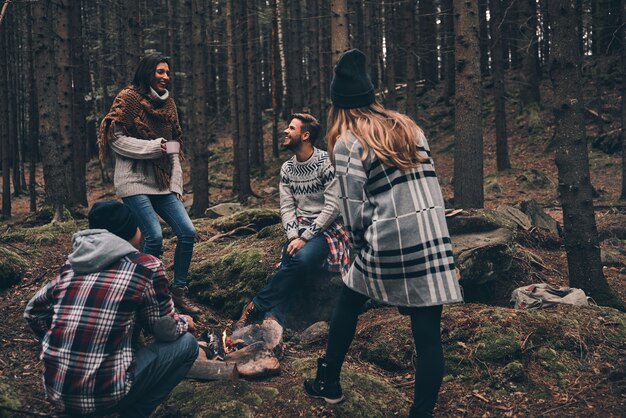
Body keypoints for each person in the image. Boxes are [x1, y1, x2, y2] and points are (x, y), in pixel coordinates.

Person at [303, 49, 463, 418]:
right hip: (433, 234)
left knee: (348, 299)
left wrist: (358, 249)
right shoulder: (410, 127)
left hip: (389, 239)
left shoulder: (346, 142)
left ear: (338, 105)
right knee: (427, 334)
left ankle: (328, 382)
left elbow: (352, 209)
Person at [24, 200, 199, 417]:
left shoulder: (72, 266)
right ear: (130, 232)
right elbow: (165, 330)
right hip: (105, 394)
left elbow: (33, 311)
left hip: (57, 391)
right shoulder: (146, 266)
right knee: (188, 345)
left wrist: (63, 342)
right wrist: (185, 322)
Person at [98, 54, 200, 315]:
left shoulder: (169, 106)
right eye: (160, 72)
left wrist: (176, 185)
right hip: (132, 180)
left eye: (168, 72)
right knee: (153, 236)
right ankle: (142, 293)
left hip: (163, 182)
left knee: (187, 231)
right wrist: (157, 147)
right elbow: (116, 139)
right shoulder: (129, 98)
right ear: (147, 73)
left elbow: (175, 146)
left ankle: (179, 291)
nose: (166, 76)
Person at [235, 113, 350, 328]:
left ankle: (257, 306)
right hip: (300, 227)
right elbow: (287, 207)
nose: (285, 131)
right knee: (293, 256)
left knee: (302, 259)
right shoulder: (287, 169)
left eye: (291, 128)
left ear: (305, 135)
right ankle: (274, 317)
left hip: (327, 229)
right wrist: (293, 236)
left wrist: (305, 238)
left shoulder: (326, 163)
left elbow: (333, 207)